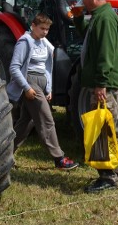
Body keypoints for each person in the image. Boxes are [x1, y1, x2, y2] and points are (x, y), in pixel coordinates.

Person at [7, 13, 78, 171]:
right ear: (33, 26)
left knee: (26, 122)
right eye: (42, 28)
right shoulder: (24, 42)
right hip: (30, 82)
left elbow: (48, 66)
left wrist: (49, 88)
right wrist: (27, 88)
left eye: (47, 29)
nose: (45, 32)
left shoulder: (44, 42)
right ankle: (59, 158)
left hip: (41, 83)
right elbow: (14, 67)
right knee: (47, 120)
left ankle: (4, 153)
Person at [74, 0, 118, 193]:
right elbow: (88, 37)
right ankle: (117, 172)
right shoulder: (99, 16)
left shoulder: (104, 18)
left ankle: (107, 177)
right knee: (111, 127)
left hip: (104, 85)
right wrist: (77, 17)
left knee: (101, 128)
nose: (82, 2)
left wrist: (100, 83)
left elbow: (105, 53)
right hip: (105, 83)